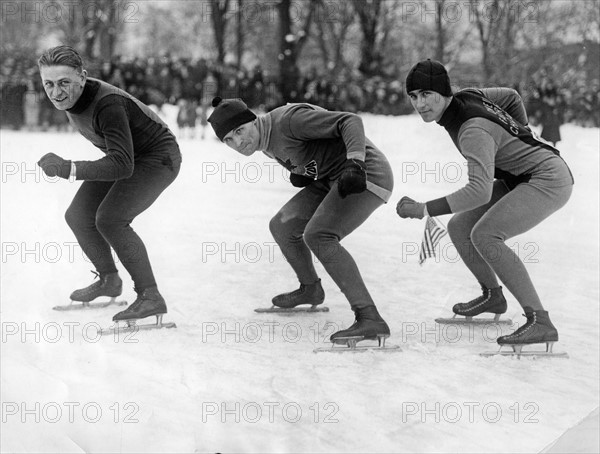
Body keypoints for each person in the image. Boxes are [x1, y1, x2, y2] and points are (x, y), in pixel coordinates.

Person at [397, 59, 574, 349]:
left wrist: (423, 209)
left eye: (427, 94)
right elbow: (512, 97)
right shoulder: (470, 95)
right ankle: (493, 295)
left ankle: (540, 320)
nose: (420, 104)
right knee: (460, 227)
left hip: (547, 178)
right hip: (521, 175)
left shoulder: (471, 130)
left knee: (486, 234)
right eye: (414, 96)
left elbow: (478, 192)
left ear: (443, 92)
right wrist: (521, 131)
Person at [207, 96, 394, 345]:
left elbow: (350, 121)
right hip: (331, 178)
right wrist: (301, 172)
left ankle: (369, 317)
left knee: (319, 235)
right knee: (282, 226)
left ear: (253, 120)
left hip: (368, 174)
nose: (238, 142)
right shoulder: (263, 140)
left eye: (240, 131)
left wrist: (356, 163)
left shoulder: (288, 121)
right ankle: (311, 289)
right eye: (229, 139)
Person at [36, 45, 182, 324]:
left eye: (64, 82)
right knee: (78, 215)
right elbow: (120, 159)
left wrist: (68, 168)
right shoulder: (71, 99)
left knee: (111, 219)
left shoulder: (107, 104)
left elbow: (122, 165)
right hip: (128, 156)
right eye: (49, 84)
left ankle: (151, 296)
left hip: (159, 158)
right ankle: (109, 280)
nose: (56, 92)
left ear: (82, 77)